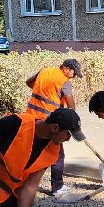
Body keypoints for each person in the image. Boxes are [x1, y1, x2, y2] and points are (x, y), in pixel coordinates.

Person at [25, 58, 82, 198]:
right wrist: (73, 121)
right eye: (74, 73)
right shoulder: (64, 81)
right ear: (67, 68)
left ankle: (24, 181)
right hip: (51, 123)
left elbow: (28, 82)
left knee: (33, 150)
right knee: (57, 154)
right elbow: (70, 104)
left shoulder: (44, 71)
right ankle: (57, 186)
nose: (73, 77)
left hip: (32, 118)